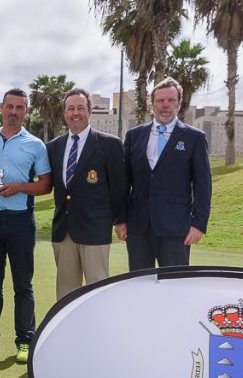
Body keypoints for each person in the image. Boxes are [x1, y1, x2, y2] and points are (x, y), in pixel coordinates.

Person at [0, 88, 51, 364]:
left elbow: (45, 184)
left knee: (22, 285)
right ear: (1, 108)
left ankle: (25, 339)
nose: (14, 112)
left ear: (26, 111)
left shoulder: (36, 145)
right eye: (10, 106)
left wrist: (19, 187)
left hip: (20, 222)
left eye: (20, 107)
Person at [115, 77, 212, 270]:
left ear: (179, 103)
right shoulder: (135, 136)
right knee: (139, 284)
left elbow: (203, 185)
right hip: (138, 227)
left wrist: (199, 224)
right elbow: (124, 182)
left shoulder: (194, 138)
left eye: (170, 100)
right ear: (152, 104)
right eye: (160, 101)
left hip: (176, 228)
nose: (165, 105)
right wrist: (121, 219)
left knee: (175, 286)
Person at [46, 88, 129, 300]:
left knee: (97, 294)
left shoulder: (109, 145)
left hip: (95, 231)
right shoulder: (53, 147)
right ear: (64, 113)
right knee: (65, 296)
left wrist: (119, 220)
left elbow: (120, 188)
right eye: (70, 108)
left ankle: (98, 333)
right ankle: (68, 333)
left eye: (80, 108)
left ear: (89, 111)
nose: (75, 113)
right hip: (64, 232)